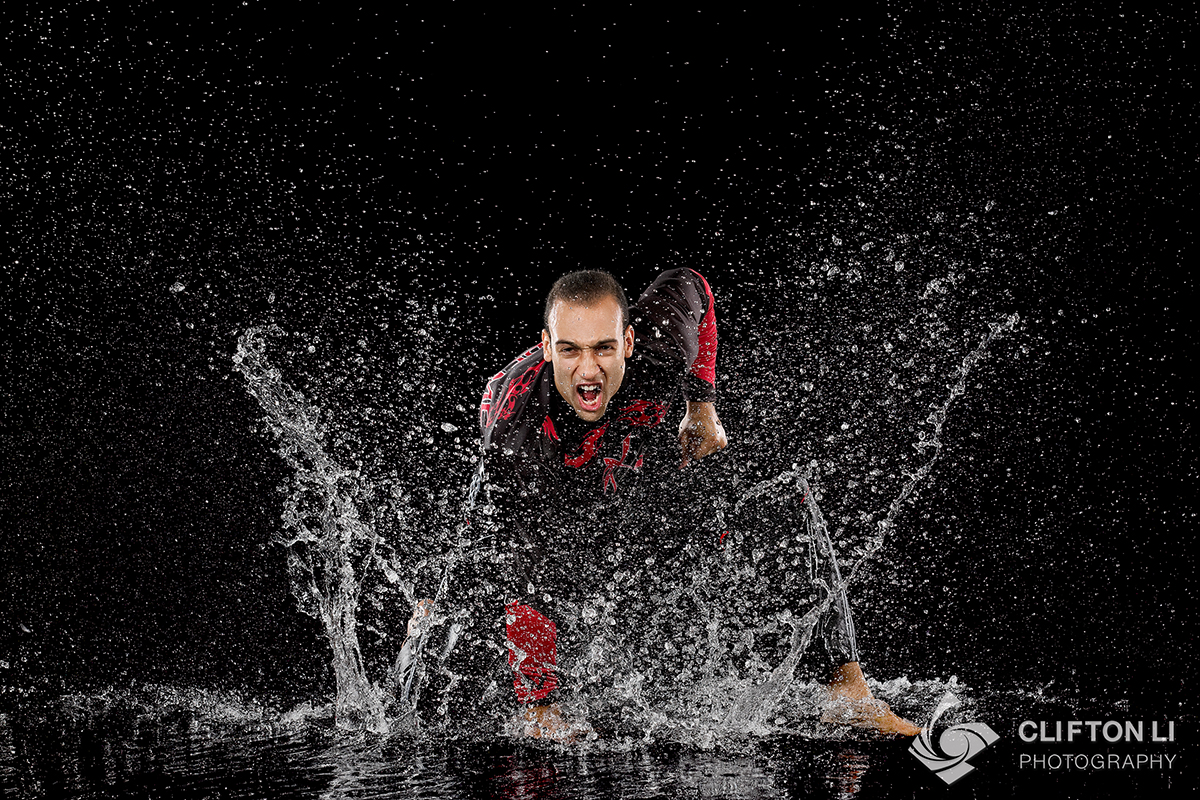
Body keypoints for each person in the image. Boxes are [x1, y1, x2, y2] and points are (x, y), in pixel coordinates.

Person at [412, 268, 920, 739]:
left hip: (648, 475)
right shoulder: (516, 425)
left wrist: (702, 405)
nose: (588, 373)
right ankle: (541, 707)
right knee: (524, 570)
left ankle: (849, 692)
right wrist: (541, 704)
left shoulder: (659, 344)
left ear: (628, 342)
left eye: (603, 349)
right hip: (564, 496)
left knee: (789, 500)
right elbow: (520, 559)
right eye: (569, 351)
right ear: (546, 348)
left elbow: (692, 284)